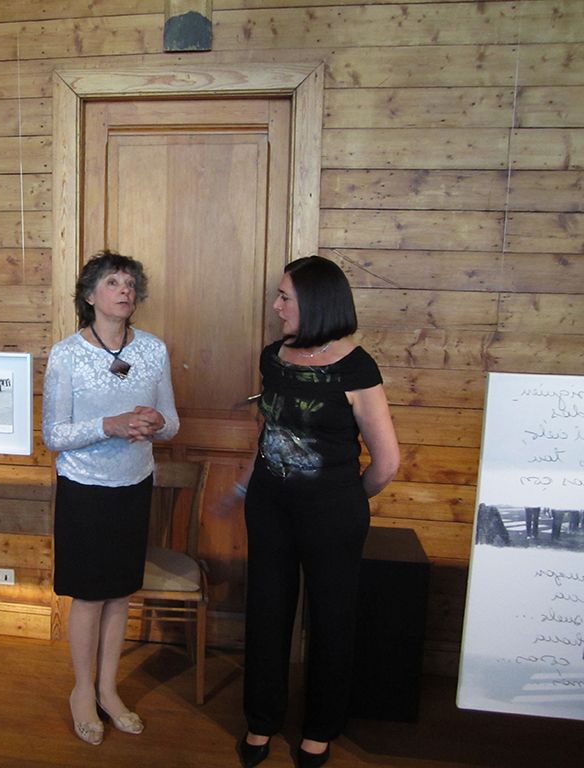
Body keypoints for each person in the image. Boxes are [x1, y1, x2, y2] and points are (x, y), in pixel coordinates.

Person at [234, 255, 399, 768]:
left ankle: (319, 732)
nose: (277, 306)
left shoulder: (357, 368)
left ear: (317, 304)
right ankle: (261, 722)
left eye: (285, 297)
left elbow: (387, 462)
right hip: (269, 506)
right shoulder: (273, 356)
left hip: (332, 514)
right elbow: (268, 431)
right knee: (265, 613)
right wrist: (247, 484)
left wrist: (345, 498)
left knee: (331, 621)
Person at [42, 250, 180, 746]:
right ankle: (81, 691)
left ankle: (108, 689)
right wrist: (111, 425)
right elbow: (54, 434)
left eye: (129, 283)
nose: (124, 290)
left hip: (134, 483)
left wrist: (156, 423)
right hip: (84, 488)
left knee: (120, 590)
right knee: (89, 593)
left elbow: (173, 419)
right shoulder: (67, 353)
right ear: (89, 295)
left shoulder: (153, 350)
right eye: (112, 282)